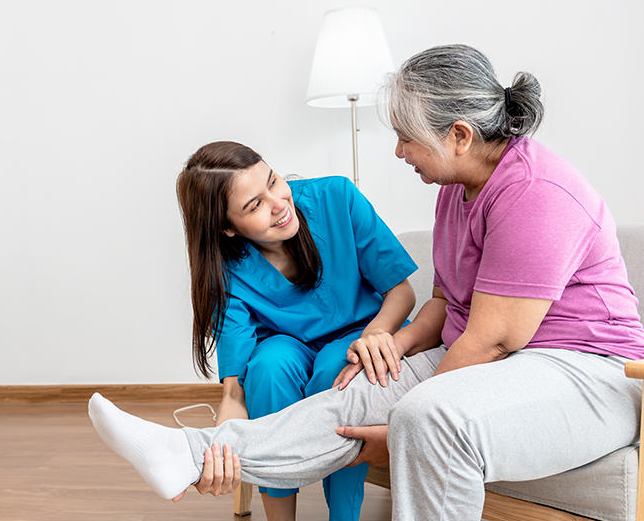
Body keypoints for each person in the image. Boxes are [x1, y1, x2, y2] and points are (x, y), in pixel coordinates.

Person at [88, 44, 644, 521]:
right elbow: (445, 303)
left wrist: (401, 424)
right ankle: (188, 454)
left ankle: (212, 451)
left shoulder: (536, 194)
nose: (399, 151)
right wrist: (391, 345)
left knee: (428, 418)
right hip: (488, 357)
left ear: (458, 135)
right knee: (349, 392)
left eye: (406, 137)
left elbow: (497, 339)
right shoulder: (457, 189)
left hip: (588, 371)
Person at [173, 141, 418, 521]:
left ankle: (343, 516)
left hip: (362, 331)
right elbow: (235, 387)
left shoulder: (337, 197)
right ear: (227, 228)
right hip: (290, 348)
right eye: (254, 205)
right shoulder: (226, 268)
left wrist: (375, 334)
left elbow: (401, 291)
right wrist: (220, 441)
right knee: (269, 368)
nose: (278, 203)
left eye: (273, 180)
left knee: (335, 369)